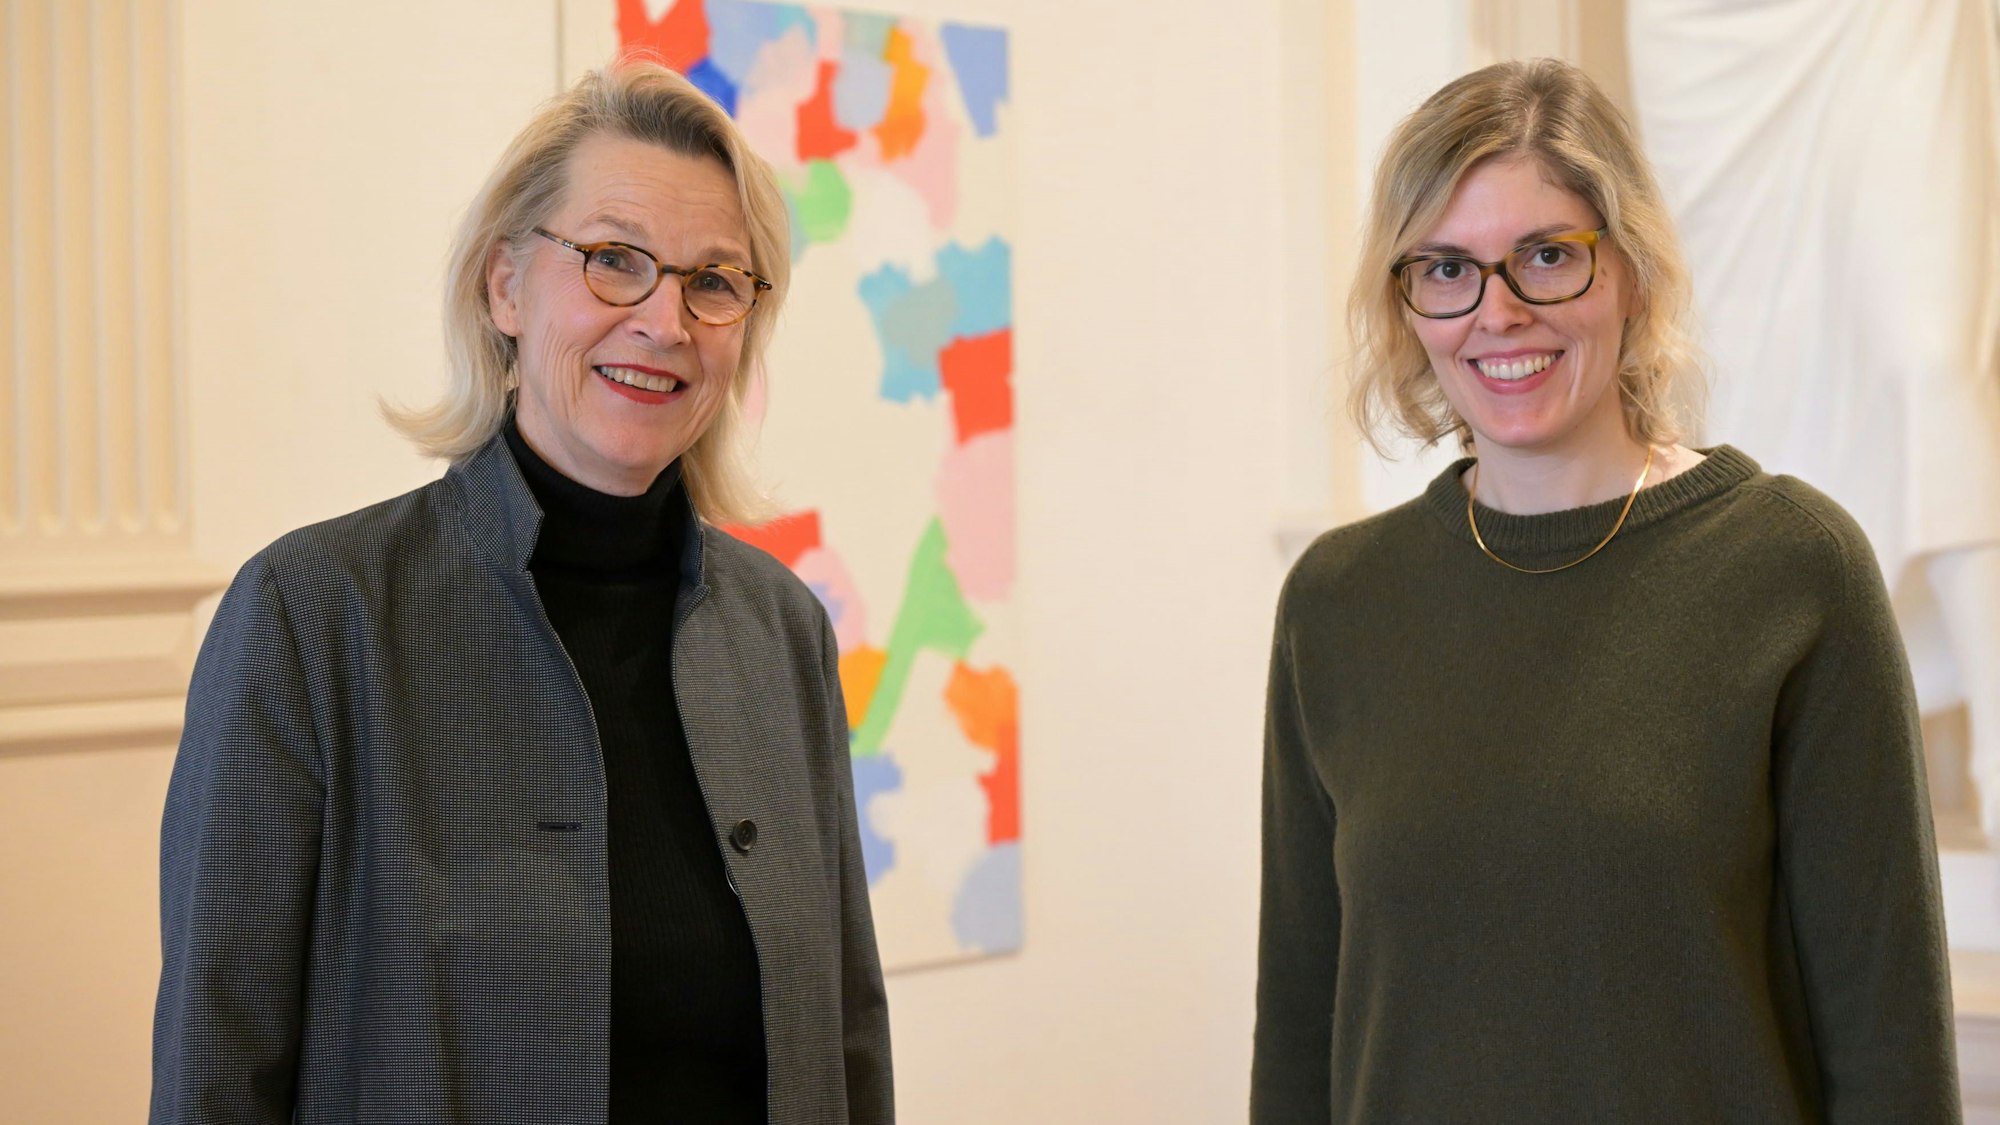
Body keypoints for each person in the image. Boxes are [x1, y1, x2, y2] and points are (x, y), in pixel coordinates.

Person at [151, 62, 892, 1124]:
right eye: (613, 261)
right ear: (504, 284)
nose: (664, 321)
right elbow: (215, 1072)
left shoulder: (780, 633)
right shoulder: (313, 619)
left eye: (713, 281)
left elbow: (847, 1045)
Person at [1252, 58, 1960, 1122]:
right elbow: (1299, 1036)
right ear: (1405, 304)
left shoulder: (1792, 569)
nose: (1495, 313)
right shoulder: (1337, 603)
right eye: (1444, 269)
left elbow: (1888, 1051)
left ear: (1627, 269)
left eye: (1545, 256)